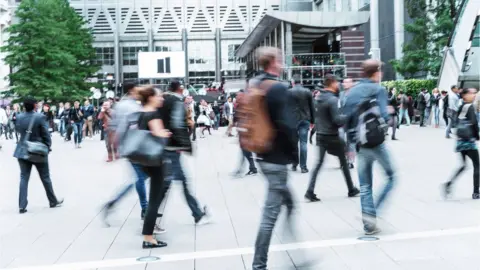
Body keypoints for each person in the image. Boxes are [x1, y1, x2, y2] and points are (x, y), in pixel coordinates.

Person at [249, 47, 298, 270]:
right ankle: (259, 265)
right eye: (279, 59)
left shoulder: (255, 84)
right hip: (277, 159)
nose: (282, 63)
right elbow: (286, 125)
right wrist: (296, 153)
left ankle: (296, 256)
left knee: (289, 204)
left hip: (262, 154)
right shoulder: (277, 87)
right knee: (270, 216)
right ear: (272, 62)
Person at [343, 60, 396, 235]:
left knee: (365, 186)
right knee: (392, 176)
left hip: (361, 144)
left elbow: (346, 120)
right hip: (377, 143)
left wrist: (351, 143)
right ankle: (374, 213)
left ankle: (369, 226)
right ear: (377, 72)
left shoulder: (351, 92)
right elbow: (384, 117)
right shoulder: (378, 89)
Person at [103, 81, 155, 225]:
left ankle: (141, 207)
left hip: (128, 146)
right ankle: (144, 208)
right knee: (140, 178)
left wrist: (117, 145)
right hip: (135, 146)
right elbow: (134, 126)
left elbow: (114, 126)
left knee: (140, 178)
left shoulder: (120, 105)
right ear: (132, 90)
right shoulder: (132, 106)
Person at [161, 80, 211, 225]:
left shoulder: (161, 100)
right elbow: (178, 124)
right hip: (172, 148)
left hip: (164, 146)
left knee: (170, 184)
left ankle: (197, 213)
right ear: (179, 89)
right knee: (175, 183)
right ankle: (150, 217)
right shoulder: (176, 101)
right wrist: (185, 145)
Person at [305, 74, 360, 202]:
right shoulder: (332, 100)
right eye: (336, 83)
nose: (338, 85)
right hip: (332, 136)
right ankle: (351, 189)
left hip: (321, 135)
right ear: (332, 83)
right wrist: (348, 115)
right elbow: (337, 120)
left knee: (318, 164)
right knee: (344, 162)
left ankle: (309, 191)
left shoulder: (318, 97)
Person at [13, 97, 63, 214]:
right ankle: (52, 201)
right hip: (38, 150)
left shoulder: (19, 117)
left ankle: (22, 205)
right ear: (35, 105)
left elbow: (18, 130)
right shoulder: (39, 117)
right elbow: (46, 134)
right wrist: (47, 146)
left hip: (23, 150)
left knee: (24, 177)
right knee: (45, 177)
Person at [136, 86, 171, 249]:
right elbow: (159, 134)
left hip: (146, 160)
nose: (161, 99)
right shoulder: (153, 114)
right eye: (159, 96)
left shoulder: (142, 112)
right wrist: (166, 133)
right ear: (151, 98)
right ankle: (148, 237)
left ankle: (148, 235)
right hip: (156, 161)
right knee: (154, 200)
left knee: (155, 197)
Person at [444, 88, 480, 200]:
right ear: (464, 95)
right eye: (471, 93)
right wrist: (477, 136)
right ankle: (476, 192)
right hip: (469, 142)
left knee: (463, 165)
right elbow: (474, 123)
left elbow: (457, 122)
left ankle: (448, 184)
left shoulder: (462, 106)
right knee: (477, 165)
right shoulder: (469, 107)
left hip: (460, 141)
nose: (473, 95)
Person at [290, 79, 315, 173]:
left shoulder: (289, 92)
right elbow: (312, 107)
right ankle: (303, 167)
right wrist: (313, 121)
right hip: (305, 120)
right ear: (301, 82)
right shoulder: (307, 91)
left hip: (293, 121)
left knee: (293, 143)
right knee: (303, 143)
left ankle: (294, 164)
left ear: (293, 83)